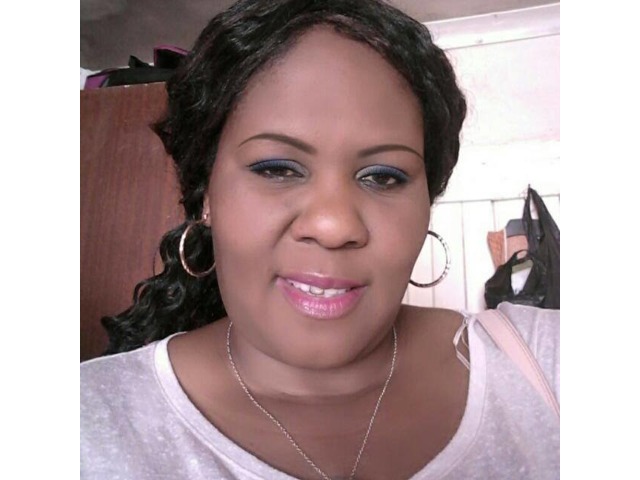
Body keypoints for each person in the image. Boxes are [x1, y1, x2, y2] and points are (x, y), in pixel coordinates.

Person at [80, 0, 560, 479]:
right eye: (277, 168)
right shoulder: (86, 425)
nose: (334, 225)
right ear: (206, 194)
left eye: (383, 176)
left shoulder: (546, 363)